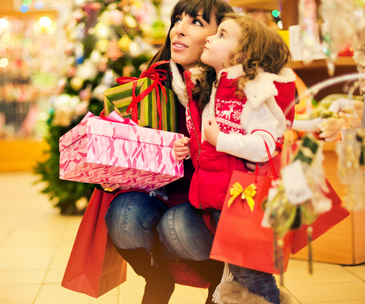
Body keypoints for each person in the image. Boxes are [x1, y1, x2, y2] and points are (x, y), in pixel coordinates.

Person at [102, 0, 234, 303]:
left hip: (209, 207)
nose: (180, 30)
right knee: (123, 216)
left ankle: (218, 281)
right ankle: (157, 279)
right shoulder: (151, 86)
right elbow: (124, 147)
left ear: (221, 36)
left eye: (196, 23)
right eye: (177, 20)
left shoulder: (230, 90)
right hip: (160, 194)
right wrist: (110, 170)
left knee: (177, 226)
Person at [167, 13, 296, 304]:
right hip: (224, 200)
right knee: (240, 276)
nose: (211, 37)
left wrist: (218, 141)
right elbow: (216, 137)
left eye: (222, 34)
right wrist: (195, 147)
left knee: (254, 277)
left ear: (243, 54)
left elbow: (264, 144)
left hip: (245, 201)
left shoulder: (253, 93)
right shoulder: (217, 87)